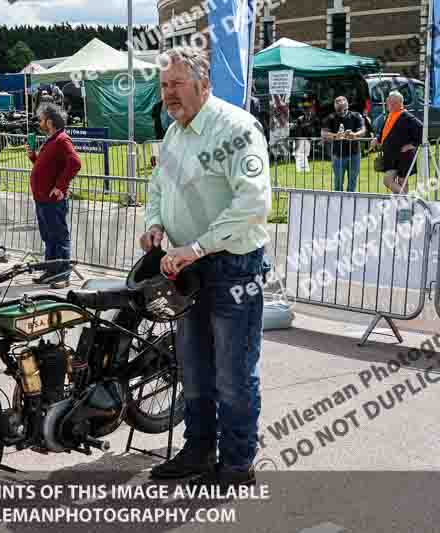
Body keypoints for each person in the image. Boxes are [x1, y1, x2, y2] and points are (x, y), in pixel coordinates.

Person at [141, 46, 271, 489]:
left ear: (204, 84)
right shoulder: (175, 132)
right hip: (186, 268)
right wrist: (154, 223)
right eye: (163, 85)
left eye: (177, 83)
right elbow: (157, 186)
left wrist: (198, 246)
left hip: (233, 267)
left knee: (233, 374)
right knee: (193, 368)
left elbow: (254, 203)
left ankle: (236, 464)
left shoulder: (237, 127)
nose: (169, 93)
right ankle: (198, 450)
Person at [26, 103, 81, 289]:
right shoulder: (52, 140)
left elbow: (75, 163)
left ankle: (63, 275)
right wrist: (33, 156)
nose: (39, 123)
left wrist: (60, 186)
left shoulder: (62, 140)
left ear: (50, 122)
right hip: (42, 199)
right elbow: (46, 166)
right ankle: (50, 271)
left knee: (59, 238)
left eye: (41, 120)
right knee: (48, 237)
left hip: (52, 201)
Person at [372, 90, 422, 197]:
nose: (386, 104)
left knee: (400, 181)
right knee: (389, 180)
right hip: (392, 157)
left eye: (389, 102)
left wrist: (412, 145)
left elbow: (422, 129)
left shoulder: (407, 117)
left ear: (396, 103)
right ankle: (404, 200)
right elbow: (384, 132)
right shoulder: (391, 115)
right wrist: (377, 139)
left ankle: (406, 200)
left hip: (404, 156)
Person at [321, 96, 365, 192]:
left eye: (343, 109)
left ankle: (350, 203)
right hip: (338, 155)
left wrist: (354, 135)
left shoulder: (356, 116)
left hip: (354, 154)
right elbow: (323, 133)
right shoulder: (330, 117)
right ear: (335, 107)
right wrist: (336, 136)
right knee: (338, 183)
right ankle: (337, 203)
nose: (341, 112)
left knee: (352, 183)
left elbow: (363, 130)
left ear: (347, 106)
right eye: (338, 109)